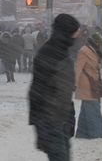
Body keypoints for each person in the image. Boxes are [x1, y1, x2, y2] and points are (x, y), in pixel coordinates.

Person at [28, 13, 81, 161]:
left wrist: (70, 116)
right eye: (75, 31)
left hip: (61, 118)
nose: (78, 35)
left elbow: (64, 90)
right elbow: (36, 92)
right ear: (66, 32)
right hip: (50, 121)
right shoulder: (49, 54)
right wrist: (40, 126)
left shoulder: (63, 51)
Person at [74, 32, 102, 139]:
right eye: (98, 43)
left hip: (93, 83)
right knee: (93, 109)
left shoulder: (92, 50)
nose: (99, 45)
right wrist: (74, 84)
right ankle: (96, 134)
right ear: (94, 42)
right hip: (87, 84)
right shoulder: (84, 51)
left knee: (86, 109)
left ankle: (83, 133)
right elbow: (78, 68)